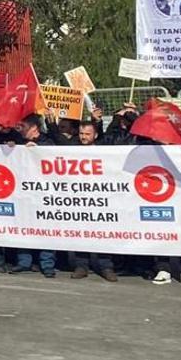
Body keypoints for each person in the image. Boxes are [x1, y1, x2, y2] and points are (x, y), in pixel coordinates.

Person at [68, 120, 118, 282]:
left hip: (100, 199)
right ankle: (81, 265)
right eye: (81, 133)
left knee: (102, 232)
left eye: (87, 134)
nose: (83, 137)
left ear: (95, 135)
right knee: (80, 232)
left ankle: (105, 266)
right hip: (79, 199)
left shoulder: (104, 150)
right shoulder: (70, 150)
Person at [8, 115, 57, 277]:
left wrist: (38, 149)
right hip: (23, 192)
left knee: (45, 228)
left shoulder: (47, 141)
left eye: (23, 126)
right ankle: (24, 262)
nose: (20, 129)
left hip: (43, 192)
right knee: (24, 226)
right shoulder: (17, 141)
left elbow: (54, 155)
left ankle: (47, 264)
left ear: (34, 127)